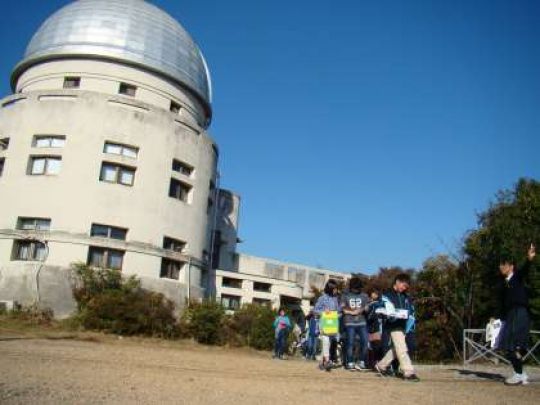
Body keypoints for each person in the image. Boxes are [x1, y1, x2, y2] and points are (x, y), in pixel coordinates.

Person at [498, 244, 536, 386]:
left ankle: (518, 374)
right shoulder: (503, 284)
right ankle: (521, 373)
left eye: (504, 264)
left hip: (519, 312)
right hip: (510, 315)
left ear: (511, 266)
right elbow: (501, 304)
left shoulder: (517, 277)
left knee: (511, 345)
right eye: (500, 265)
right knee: (507, 346)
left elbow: (524, 270)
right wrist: (497, 318)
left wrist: (529, 259)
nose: (501, 267)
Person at [375, 273, 420, 382]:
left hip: (404, 326)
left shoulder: (406, 296)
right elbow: (380, 309)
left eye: (406, 287)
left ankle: (381, 365)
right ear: (397, 282)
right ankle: (408, 372)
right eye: (403, 286)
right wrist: (389, 314)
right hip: (392, 325)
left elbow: (410, 310)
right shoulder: (386, 295)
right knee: (402, 348)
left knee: (397, 349)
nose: (404, 288)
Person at [341, 276, 370, 370]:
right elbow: (342, 308)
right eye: (355, 288)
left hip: (362, 322)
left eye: (358, 288)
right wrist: (352, 312)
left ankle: (361, 361)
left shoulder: (364, 295)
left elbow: (367, 307)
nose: (356, 290)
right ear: (351, 287)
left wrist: (363, 309)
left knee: (365, 342)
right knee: (350, 343)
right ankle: (350, 362)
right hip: (349, 322)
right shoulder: (345, 295)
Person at [313, 279, 341, 371]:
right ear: (330, 288)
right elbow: (315, 310)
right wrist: (324, 312)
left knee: (328, 343)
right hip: (323, 323)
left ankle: (322, 362)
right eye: (335, 288)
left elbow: (339, 311)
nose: (336, 290)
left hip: (332, 324)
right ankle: (327, 361)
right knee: (325, 340)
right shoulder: (322, 298)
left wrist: (338, 313)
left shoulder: (336, 299)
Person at [367, 289, 385, 367]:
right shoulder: (381, 303)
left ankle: (375, 362)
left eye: (373, 293)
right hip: (376, 325)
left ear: (377, 295)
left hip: (375, 326)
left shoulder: (375, 304)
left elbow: (370, 316)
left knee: (375, 344)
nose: (372, 294)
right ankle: (375, 362)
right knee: (375, 344)